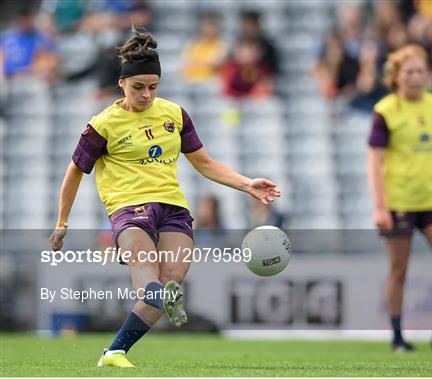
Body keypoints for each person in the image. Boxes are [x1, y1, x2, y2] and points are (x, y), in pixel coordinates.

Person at [48, 28, 280, 368]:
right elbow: (73, 173)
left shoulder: (174, 114)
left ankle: (113, 352)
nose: (146, 95)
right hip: (128, 208)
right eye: (138, 87)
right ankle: (158, 299)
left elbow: (204, 163)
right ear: (122, 84)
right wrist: (61, 222)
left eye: (153, 87)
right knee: (147, 272)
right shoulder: (103, 124)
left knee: (170, 282)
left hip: (173, 209)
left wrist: (247, 185)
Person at [367, 44, 432, 353]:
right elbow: (375, 162)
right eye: (409, 72)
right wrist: (380, 207)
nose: (416, 77)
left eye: (420, 71)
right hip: (400, 202)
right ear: (396, 76)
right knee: (399, 270)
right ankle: (397, 337)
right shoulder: (385, 111)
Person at [180, 12, 228, 84]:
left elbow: (216, 64)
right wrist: (205, 63)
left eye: (213, 25)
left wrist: (198, 62)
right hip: (191, 82)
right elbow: (186, 65)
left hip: (213, 83)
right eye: (207, 25)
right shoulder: (193, 45)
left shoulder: (223, 45)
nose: (209, 29)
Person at [239, 10, 279, 75]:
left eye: (253, 25)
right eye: (247, 25)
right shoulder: (238, 46)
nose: (250, 28)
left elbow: (273, 70)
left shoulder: (268, 47)